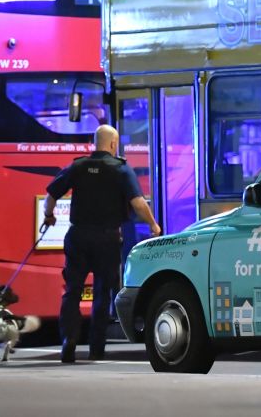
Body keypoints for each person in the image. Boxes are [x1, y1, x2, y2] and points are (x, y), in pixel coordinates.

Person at [43, 124, 161, 363]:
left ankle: (69, 340)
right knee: (102, 293)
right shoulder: (121, 169)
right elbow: (138, 203)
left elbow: (52, 193)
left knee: (72, 290)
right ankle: (96, 347)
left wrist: (49, 215)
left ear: (95, 142)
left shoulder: (77, 166)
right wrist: (153, 225)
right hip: (106, 238)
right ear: (113, 144)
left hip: (77, 236)